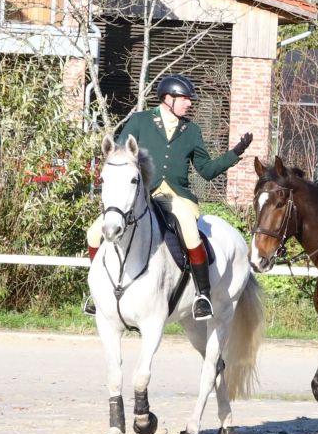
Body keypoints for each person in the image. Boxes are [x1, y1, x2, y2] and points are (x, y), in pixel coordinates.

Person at [85, 74, 253, 320]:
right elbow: (120, 155)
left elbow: (206, 171)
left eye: (189, 99)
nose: (190, 103)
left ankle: (202, 295)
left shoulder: (191, 131)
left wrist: (234, 153)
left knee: (190, 232)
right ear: (168, 98)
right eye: (185, 98)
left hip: (176, 198)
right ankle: (98, 293)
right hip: (143, 196)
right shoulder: (140, 121)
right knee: (93, 233)